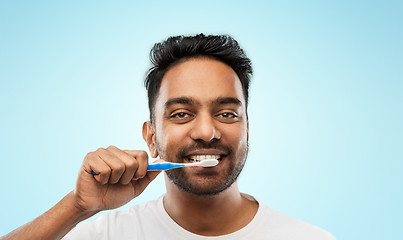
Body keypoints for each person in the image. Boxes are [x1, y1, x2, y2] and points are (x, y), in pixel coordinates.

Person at [1, 34, 335, 240]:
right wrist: (75, 207)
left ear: (247, 129)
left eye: (227, 114)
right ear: (151, 136)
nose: (207, 131)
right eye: (181, 114)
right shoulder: (104, 235)